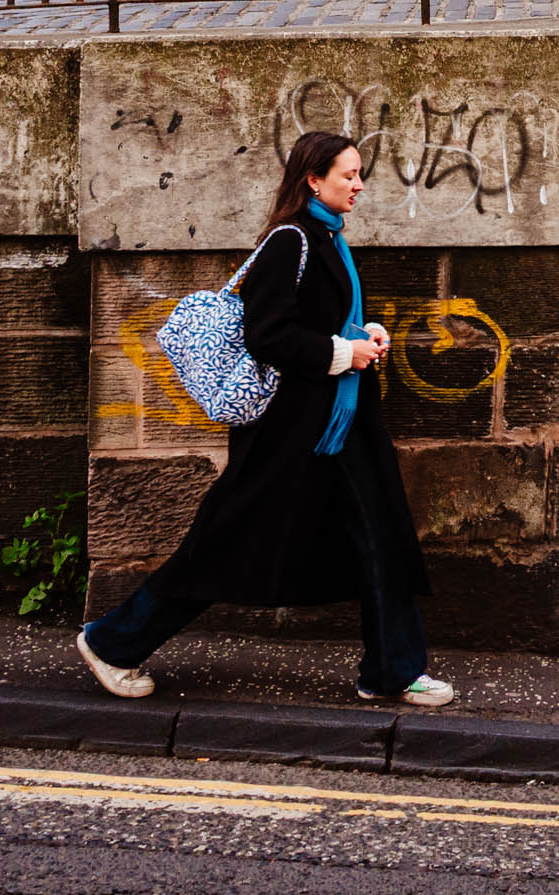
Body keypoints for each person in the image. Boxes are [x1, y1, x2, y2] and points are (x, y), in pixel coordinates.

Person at [75, 131, 454, 708]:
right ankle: (112, 642)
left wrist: (362, 336)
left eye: (358, 174)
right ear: (313, 179)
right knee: (226, 544)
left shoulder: (329, 237)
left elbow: (322, 319)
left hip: (339, 424)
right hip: (289, 433)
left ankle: (393, 670)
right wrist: (339, 354)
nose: (359, 184)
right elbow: (268, 335)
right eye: (347, 175)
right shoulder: (291, 241)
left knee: (380, 536)